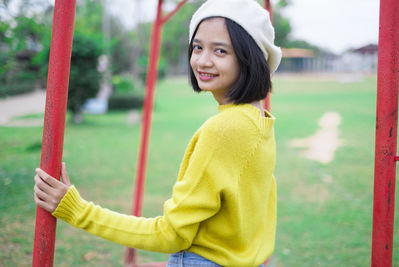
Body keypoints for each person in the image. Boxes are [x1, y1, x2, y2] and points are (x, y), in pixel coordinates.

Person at [33, 0, 282, 266]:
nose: (202, 60)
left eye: (220, 51)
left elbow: (171, 234)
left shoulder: (224, 130)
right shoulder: (260, 123)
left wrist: (78, 210)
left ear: (249, 58)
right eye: (197, 47)